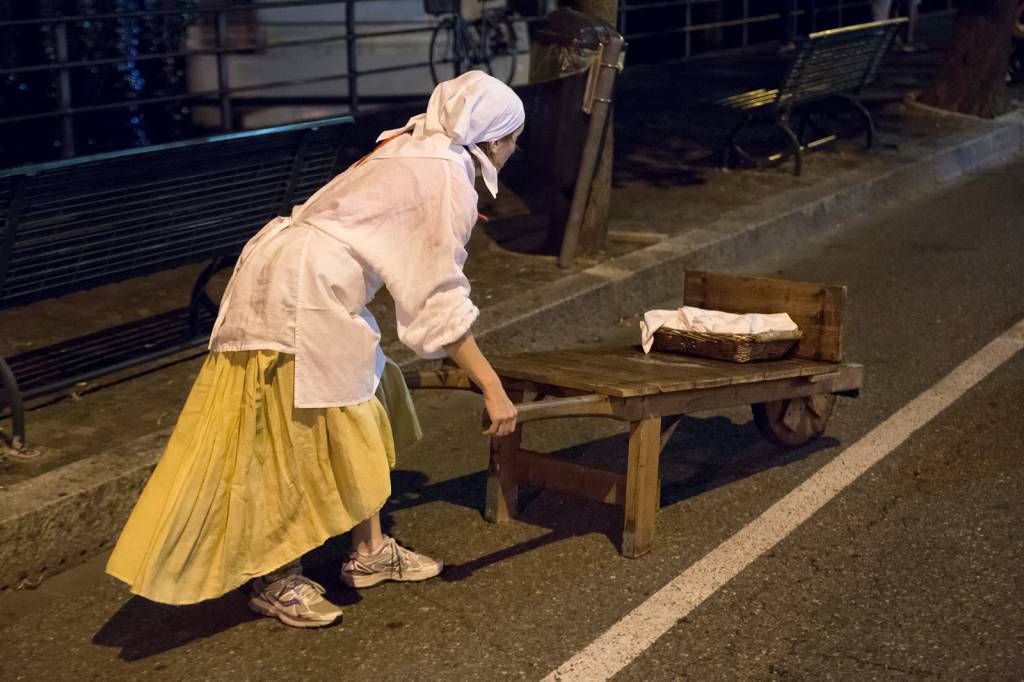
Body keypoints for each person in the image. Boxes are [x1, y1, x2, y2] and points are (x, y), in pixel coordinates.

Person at [105, 70, 524, 628]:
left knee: (361, 404)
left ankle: (370, 552)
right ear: (494, 140)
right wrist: (493, 389)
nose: (515, 149)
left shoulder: (415, 148)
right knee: (291, 436)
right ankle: (277, 579)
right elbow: (437, 300)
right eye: (515, 138)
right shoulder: (445, 174)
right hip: (300, 294)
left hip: (298, 278)